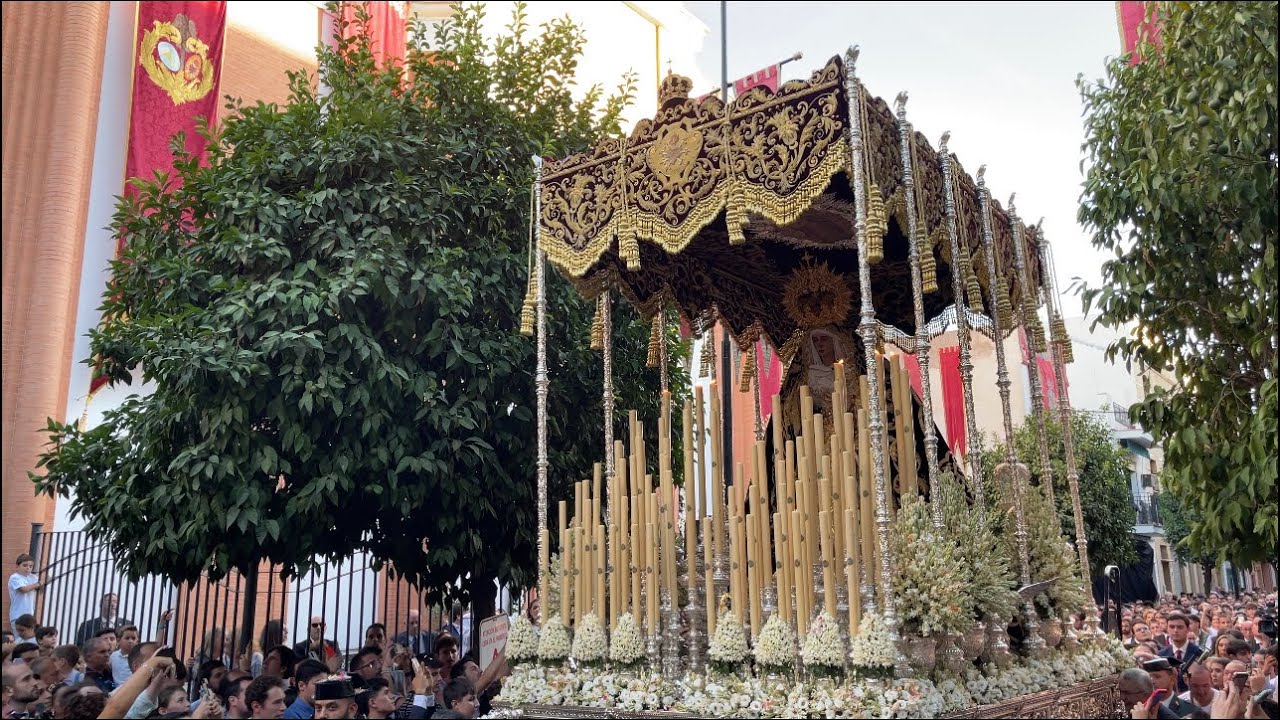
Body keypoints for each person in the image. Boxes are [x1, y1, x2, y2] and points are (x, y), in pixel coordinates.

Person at [7, 556, 43, 631]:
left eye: (30, 566)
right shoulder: (15, 577)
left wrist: (42, 582)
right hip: (18, 616)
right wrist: (38, 584)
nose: (28, 568)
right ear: (17, 566)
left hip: (29, 615)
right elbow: (24, 589)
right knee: (20, 640)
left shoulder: (32, 577)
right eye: (25, 565)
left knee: (28, 641)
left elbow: (40, 589)